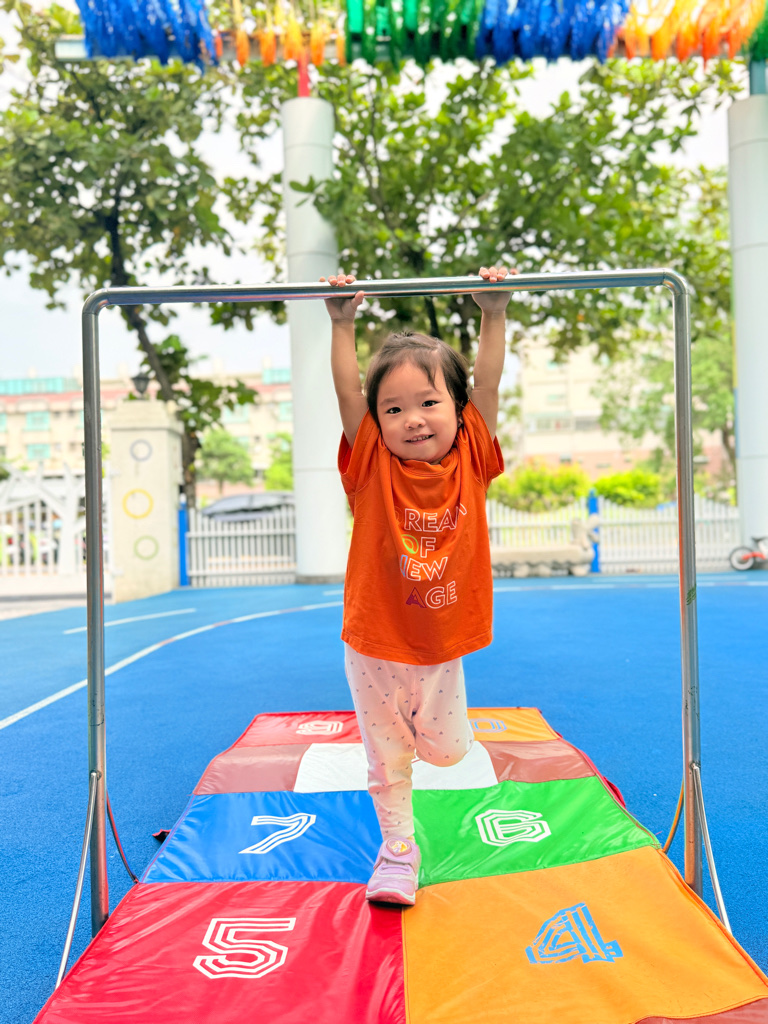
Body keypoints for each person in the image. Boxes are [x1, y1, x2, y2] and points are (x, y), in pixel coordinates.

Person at [322, 265, 513, 905]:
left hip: (441, 644)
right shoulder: (371, 462)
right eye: (394, 409)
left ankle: (423, 769)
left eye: (429, 403)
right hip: (374, 641)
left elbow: (488, 384)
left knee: (448, 752)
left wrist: (493, 313)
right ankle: (398, 852)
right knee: (388, 757)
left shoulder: (473, 457)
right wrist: (342, 323)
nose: (413, 420)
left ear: (458, 410)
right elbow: (347, 392)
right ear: (377, 421)